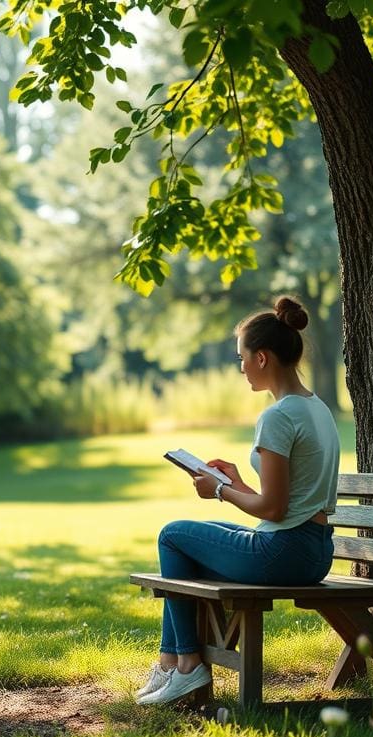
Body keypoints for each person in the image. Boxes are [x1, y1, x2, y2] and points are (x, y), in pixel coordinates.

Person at [136, 296, 339, 705]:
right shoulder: (316, 408)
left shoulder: (278, 417)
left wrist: (219, 491)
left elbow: (274, 510)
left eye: (242, 357)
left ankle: (186, 667)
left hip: (284, 552)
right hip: (314, 550)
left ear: (262, 358)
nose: (240, 365)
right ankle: (171, 665)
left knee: (172, 535)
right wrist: (238, 482)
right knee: (187, 541)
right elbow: (283, 501)